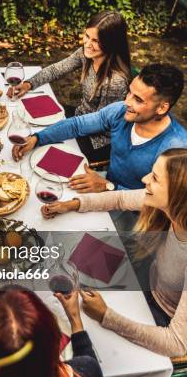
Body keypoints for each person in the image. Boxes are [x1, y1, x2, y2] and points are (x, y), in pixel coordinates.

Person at [42, 148, 187, 357]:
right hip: (146, 280)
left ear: (177, 195)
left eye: (154, 178)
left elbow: (176, 343)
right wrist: (71, 205)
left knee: (89, 340)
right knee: (66, 262)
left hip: (162, 316)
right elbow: (118, 198)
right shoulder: (164, 203)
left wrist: (105, 316)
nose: (145, 179)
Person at [13, 64, 186, 191]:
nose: (127, 102)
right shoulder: (121, 111)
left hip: (135, 219)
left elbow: (162, 201)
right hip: (104, 186)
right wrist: (38, 138)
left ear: (162, 108)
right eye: (129, 92)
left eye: (138, 100)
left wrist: (109, 187)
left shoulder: (176, 148)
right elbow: (76, 125)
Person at [8, 11, 131, 163]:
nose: (87, 44)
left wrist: (44, 137)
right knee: (25, 118)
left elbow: (98, 123)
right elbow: (57, 69)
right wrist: (29, 84)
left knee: (41, 155)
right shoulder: (87, 54)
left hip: (96, 139)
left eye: (96, 41)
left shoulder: (115, 82)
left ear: (111, 43)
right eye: (87, 36)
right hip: (78, 117)